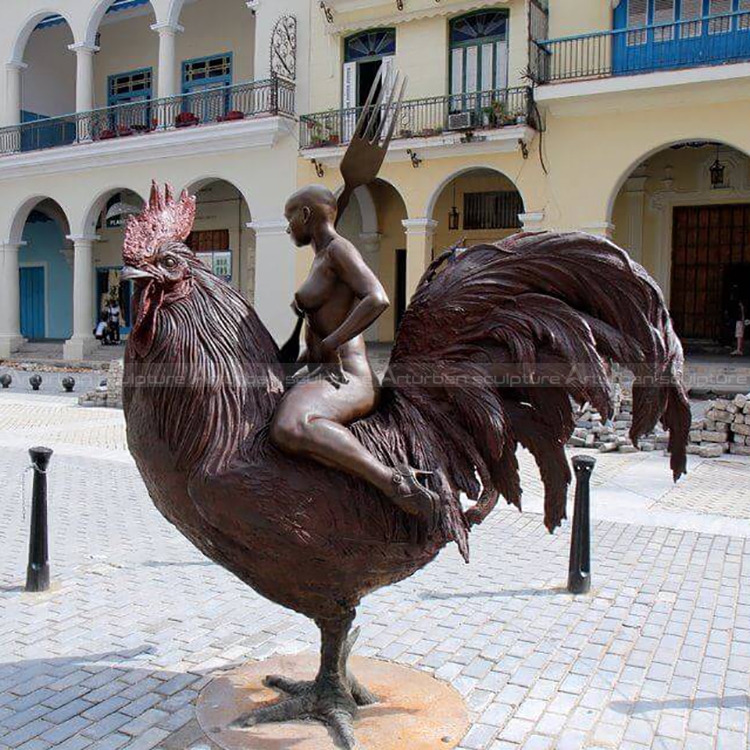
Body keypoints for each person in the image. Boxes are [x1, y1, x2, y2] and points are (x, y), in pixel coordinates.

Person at [270, 185, 438, 521]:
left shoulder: (338, 251)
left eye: (290, 217)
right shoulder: (320, 258)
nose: (288, 227)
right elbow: (319, 327)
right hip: (322, 373)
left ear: (305, 215)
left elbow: (377, 297)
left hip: (349, 377)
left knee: (290, 426)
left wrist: (333, 342)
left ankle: (394, 482)